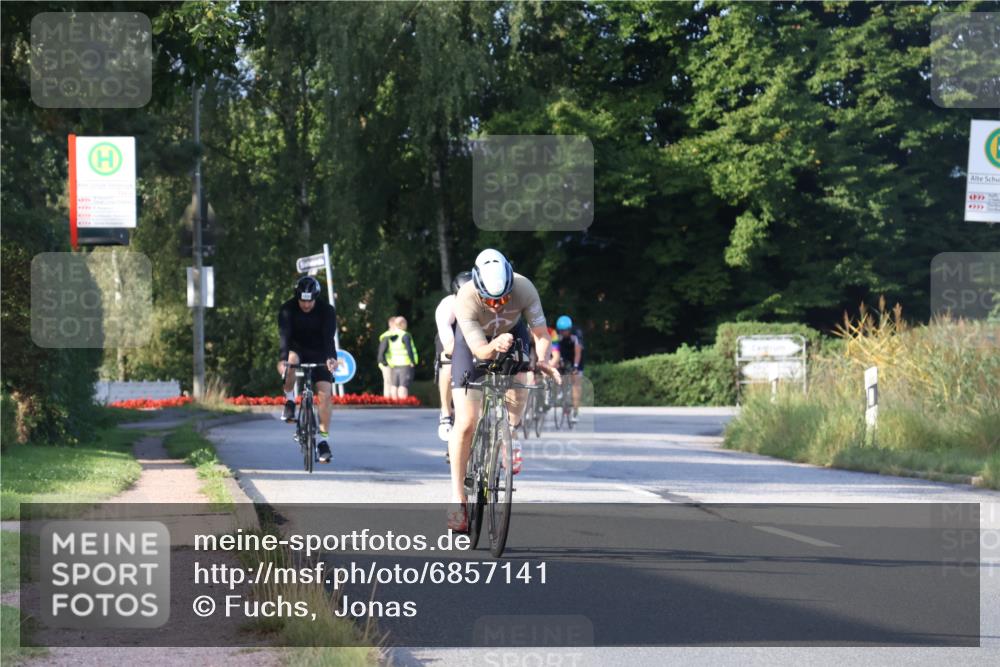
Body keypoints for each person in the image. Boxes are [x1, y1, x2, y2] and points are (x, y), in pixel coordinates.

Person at [447, 249, 559, 532]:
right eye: (490, 299)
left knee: (523, 373)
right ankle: (458, 499)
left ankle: (510, 432)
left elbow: (541, 334)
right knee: (466, 423)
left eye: (504, 298)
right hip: (474, 344)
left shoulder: (524, 287)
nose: (497, 305)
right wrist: (493, 346)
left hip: (513, 332)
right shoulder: (466, 297)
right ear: (477, 287)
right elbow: (480, 351)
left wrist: (542, 360)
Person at [277, 275, 338, 464]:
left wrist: (331, 359)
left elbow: (329, 337)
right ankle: (289, 401)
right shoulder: (287, 309)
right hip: (297, 348)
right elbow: (285, 337)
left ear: (315, 297)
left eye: (309, 301)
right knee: (291, 361)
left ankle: (323, 441)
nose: (305, 305)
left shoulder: (327, 311)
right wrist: (282, 360)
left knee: (325, 394)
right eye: (302, 301)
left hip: (320, 351)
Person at [434, 271, 474, 443]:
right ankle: (446, 411)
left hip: (474, 335)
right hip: (452, 338)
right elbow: (450, 346)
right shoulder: (446, 307)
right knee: (448, 362)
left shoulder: (483, 303)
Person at [551, 315, 584, 421]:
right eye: (561, 331)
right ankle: (560, 390)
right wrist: (557, 361)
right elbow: (554, 349)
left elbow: (578, 352)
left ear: (569, 329)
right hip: (563, 355)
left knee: (576, 382)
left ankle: (575, 411)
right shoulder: (557, 334)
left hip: (575, 357)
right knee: (556, 368)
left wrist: (575, 367)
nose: (563, 333)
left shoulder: (576, 334)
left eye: (565, 331)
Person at [378, 316, 418, 399]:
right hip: (405, 363)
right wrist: (412, 361)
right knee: (403, 385)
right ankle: (403, 404)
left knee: (394, 385)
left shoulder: (390, 335)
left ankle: (395, 405)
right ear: (402, 324)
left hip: (394, 363)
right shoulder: (404, 335)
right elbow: (409, 349)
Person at [377, 317, 397, 397]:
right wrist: (384, 363)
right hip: (387, 364)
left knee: (392, 383)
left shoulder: (394, 335)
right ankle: (389, 402)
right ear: (392, 325)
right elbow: (381, 352)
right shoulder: (387, 336)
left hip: (392, 363)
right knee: (389, 382)